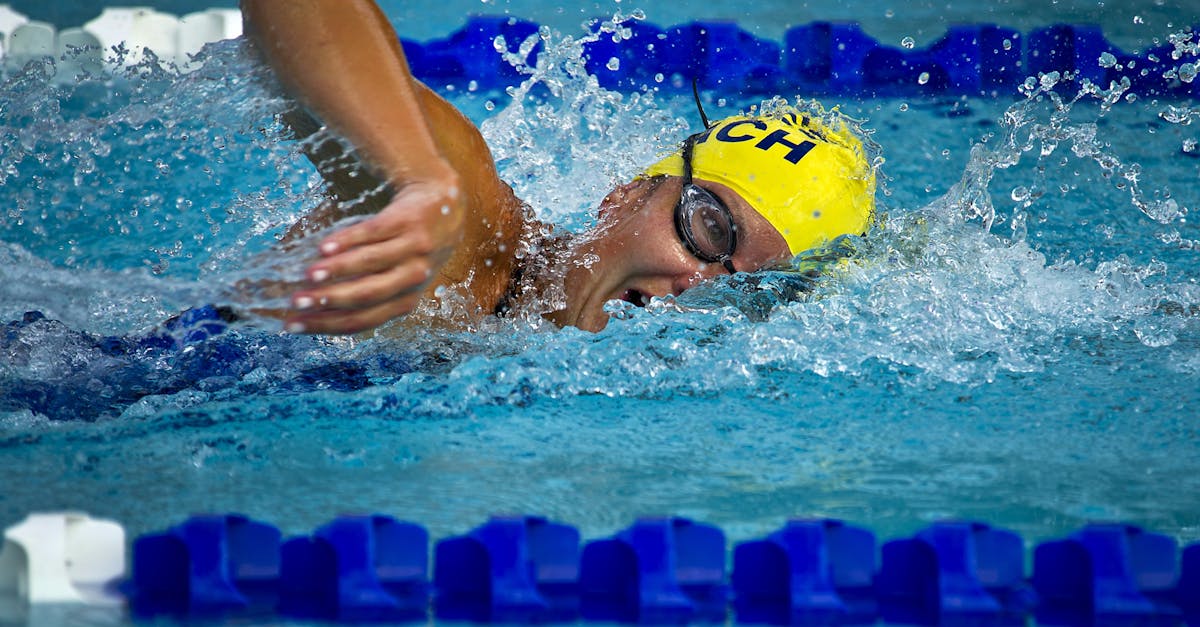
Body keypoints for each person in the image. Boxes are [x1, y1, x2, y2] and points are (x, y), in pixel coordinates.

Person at [239, 0, 876, 335]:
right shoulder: (468, 236)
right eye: (712, 229)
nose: (701, 286)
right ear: (626, 196)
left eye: (750, 289)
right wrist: (416, 178)